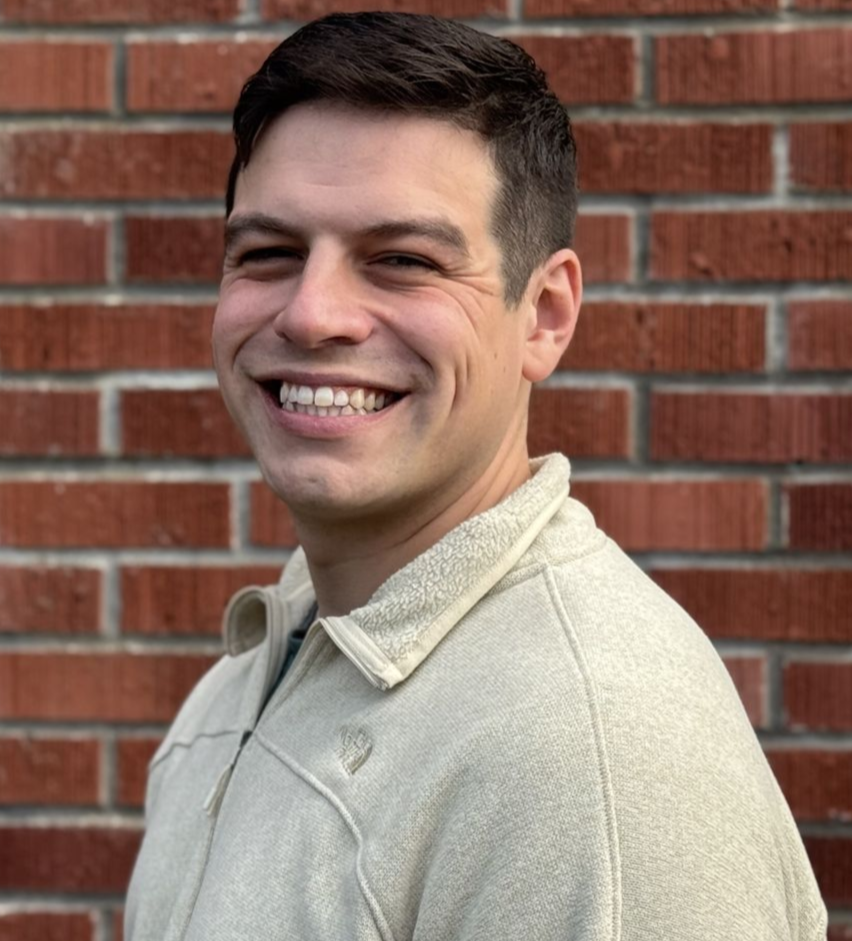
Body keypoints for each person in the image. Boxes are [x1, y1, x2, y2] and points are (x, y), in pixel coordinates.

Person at [124, 13, 827, 940]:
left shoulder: (592, 761)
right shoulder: (261, 664)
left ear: (544, 314)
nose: (312, 313)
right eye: (268, 254)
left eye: (403, 261)